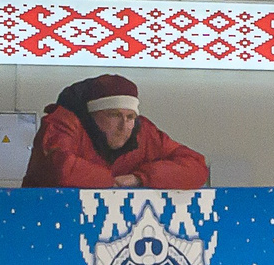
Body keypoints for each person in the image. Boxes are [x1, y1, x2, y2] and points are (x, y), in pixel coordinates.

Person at [20, 74, 209, 189]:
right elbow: (61, 169)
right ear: (92, 115)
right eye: (114, 115)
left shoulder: (143, 132)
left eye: (130, 117)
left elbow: (196, 167)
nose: (124, 126)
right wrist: (112, 182)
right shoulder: (63, 123)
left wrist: (139, 178)